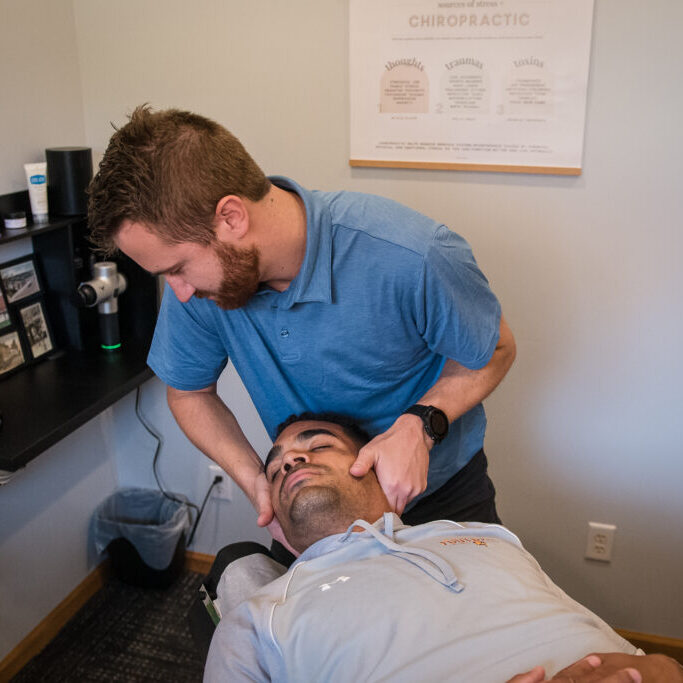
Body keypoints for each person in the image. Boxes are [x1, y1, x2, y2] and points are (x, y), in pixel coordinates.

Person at [87, 105, 516, 555]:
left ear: (231, 217)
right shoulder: (200, 289)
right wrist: (256, 479)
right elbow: (189, 393)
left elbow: (497, 348)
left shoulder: (410, 255)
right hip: (317, 514)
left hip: (437, 493)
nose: (179, 292)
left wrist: (422, 424)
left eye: (177, 268)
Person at [203, 414, 683, 683]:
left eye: (319, 445)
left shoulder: (492, 539)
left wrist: (661, 667)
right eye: (275, 467)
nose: (290, 459)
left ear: (374, 465)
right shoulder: (259, 618)